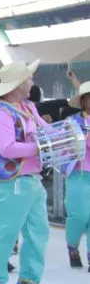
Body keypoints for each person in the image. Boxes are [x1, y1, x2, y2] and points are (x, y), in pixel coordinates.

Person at [0, 61, 54, 284]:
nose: (32, 83)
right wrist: (39, 147)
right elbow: (7, 148)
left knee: (38, 233)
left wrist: (60, 137)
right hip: (13, 181)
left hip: (31, 179)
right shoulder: (0, 112)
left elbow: (46, 131)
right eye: (29, 79)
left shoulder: (27, 107)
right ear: (19, 84)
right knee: (6, 235)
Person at [63, 82, 90, 271]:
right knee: (78, 216)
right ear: (83, 101)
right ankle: (72, 246)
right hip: (78, 174)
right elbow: (66, 148)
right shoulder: (72, 122)